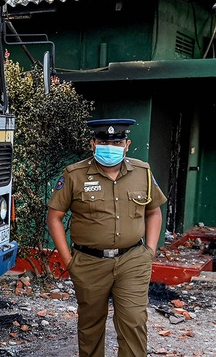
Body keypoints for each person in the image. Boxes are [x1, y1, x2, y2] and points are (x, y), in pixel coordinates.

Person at [47, 118, 166, 357]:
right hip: (89, 263)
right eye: (103, 141)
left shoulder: (142, 172)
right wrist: (69, 261)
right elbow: (54, 217)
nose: (110, 147)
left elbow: (153, 212)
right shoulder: (74, 174)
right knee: (90, 326)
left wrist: (149, 251)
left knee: (133, 322)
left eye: (117, 142)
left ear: (127, 144)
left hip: (133, 260)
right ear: (93, 144)